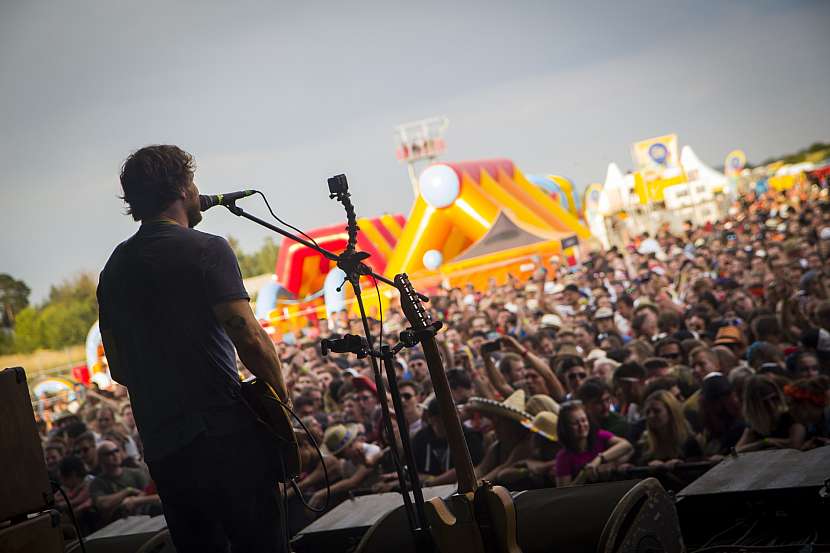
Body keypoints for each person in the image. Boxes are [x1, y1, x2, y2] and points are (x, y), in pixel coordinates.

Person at [97, 145, 290, 552]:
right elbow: (250, 339)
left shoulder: (112, 270)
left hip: (166, 452)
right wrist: (280, 406)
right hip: (227, 439)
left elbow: (118, 368)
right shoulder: (207, 249)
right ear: (183, 189)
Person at [553, 401, 633, 487]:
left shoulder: (599, 435)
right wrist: (584, 475)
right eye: (575, 423)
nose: (581, 425)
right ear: (565, 427)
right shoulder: (563, 457)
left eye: (583, 420)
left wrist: (599, 460)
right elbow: (564, 494)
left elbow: (626, 445)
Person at [736, 375, 806, 452]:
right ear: (754, 406)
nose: (771, 405)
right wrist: (764, 443)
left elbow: (795, 444)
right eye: (765, 402)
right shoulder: (756, 426)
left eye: (774, 398)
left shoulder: (790, 416)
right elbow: (737, 451)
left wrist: (768, 442)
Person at [636, 390, 702, 466]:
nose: (651, 416)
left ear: (671, 412)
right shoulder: (644, 443)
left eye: (657, 411)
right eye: (647, 412)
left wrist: (680, 466)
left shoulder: (689, 442)